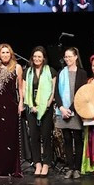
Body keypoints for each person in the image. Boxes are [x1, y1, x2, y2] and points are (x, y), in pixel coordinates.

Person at [0, 43, 24, 177]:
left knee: (10, 138)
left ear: (11, 54)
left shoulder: (17, 68)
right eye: (3, 52)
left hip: (11, 107)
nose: (5, 55)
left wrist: (21, 103)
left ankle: (13, 168)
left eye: (7, 52)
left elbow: (20, 88)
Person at [22, 46, 57, 177]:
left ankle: (46, 163)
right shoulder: (27, 72)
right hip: (31, 108)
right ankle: (37, 163)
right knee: (34, 137)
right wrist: (31, 106)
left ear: (44, 58)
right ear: (32, 58)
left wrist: (47, 104)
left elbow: (53, 90)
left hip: (46, 108)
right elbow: (24, 90)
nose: (37, 59)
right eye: (35, 56)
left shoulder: (51, 71)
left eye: (39, 57)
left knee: (46, 136)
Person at [55, 46, 87, 179]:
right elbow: (56, 92)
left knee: (78, 140)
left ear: (75, 57)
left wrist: (71, 109)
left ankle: (77, 168)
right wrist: (62, 108)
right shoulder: (61, 73)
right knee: (67, 139)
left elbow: (81, 93)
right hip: (63, 111)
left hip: (76, 110)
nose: (67, 59)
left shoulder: (82, 73)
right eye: (65, 57)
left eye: (70, 56)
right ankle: (70, 167)